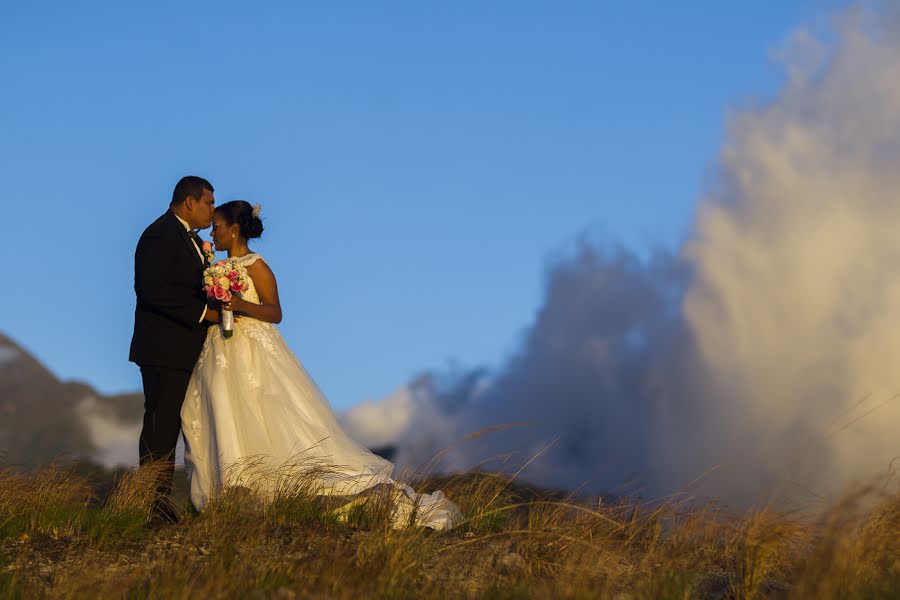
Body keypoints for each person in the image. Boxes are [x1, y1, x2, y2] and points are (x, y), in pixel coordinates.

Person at [181, 201, 462, 530]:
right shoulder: (216, 267)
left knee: (262, 411)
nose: (213, 232)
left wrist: (240, 303)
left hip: (254, 348)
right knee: (221, 410)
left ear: (234, 228)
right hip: (221, 349)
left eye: (217, 225)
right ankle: (231, 490)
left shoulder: (256, 265)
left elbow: (275, 312)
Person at [129, 175, 220, 523]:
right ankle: (153, 504)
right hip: (163, 350)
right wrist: (204, 313)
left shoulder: (192, 241)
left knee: (175, 425)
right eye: (209, 203)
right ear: (189, 203)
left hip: (186, 350)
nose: (213, 211)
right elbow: (150, 290)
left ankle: (163, 502)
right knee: (161, 427)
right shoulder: (159, 235)